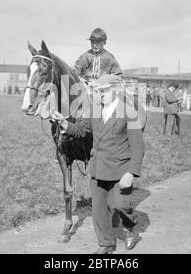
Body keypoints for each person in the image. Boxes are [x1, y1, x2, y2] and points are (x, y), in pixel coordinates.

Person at [53, 74, 145, 254]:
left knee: (119, 205)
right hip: (98, 167)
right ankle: (106, 243)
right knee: (98, 210)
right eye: (97, 92)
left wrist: (131, 173)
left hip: (120, 169)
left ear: (116, 90)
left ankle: (130, 227)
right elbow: (81, 130)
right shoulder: (95, 111)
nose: (99, 95)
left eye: (103, 91)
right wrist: (63, 122)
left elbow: (138, 147)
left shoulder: (129, 112)